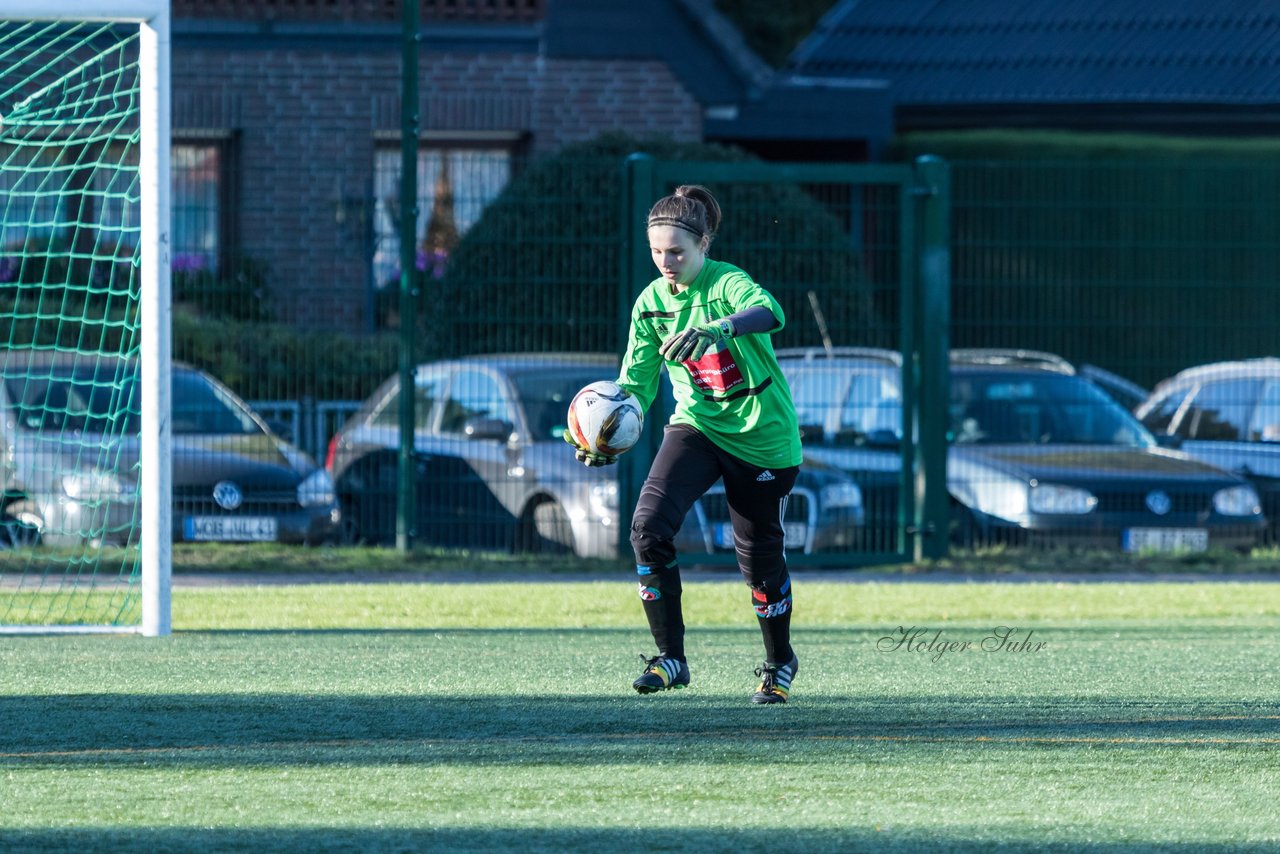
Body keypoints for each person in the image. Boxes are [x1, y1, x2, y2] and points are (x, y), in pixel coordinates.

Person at [564, 184, 803, 704]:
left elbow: (771, 311)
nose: (666, 262)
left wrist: (721, 328)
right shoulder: (650, 303)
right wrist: (597, 430)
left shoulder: (727, 284)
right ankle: (671, 657)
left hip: (763, 438)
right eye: (656, 252)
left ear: (705, 245)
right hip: (696, 426)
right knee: (647, 528)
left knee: (758, 562)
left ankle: (779, 663)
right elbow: (636, 386)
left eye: (677, 251)